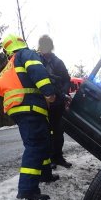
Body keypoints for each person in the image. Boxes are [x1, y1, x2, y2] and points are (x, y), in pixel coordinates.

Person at [0, 34, 58, 200]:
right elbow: (37, 70)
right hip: (30, 107)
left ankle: (45, 174)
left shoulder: (11, 63)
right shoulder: (26, 54)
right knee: (35, 146)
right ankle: (27, 190)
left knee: (41, 143)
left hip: (20, 108)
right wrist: (49, 92)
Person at [37, 35, 72, 169]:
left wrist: (62, 92)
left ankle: (58, 157)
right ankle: (49, 159)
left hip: (57, 103)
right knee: (46, 132)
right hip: (43, 103)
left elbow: (67, 79)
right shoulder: (36, 61)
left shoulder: (58, 62)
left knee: (58, 132)